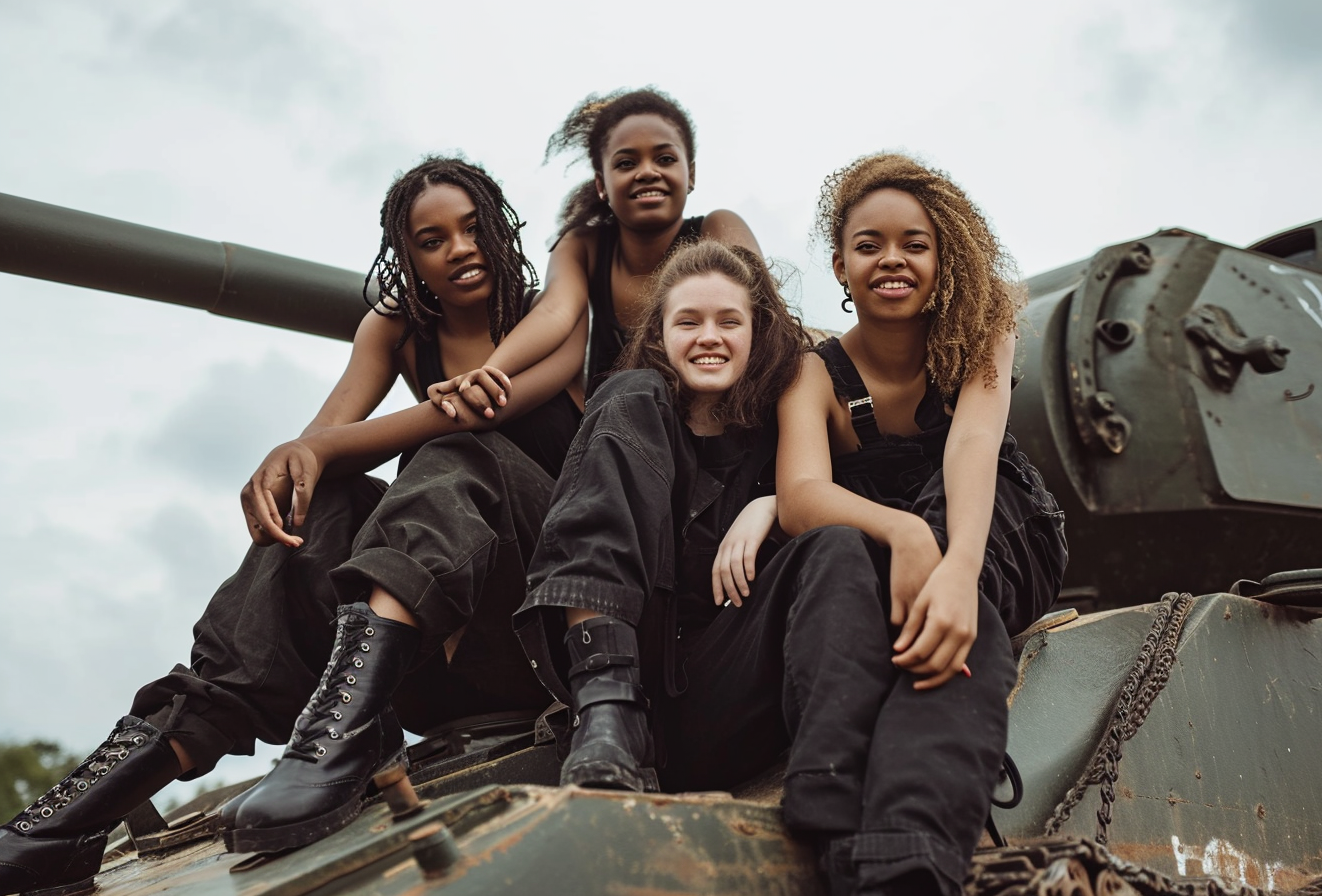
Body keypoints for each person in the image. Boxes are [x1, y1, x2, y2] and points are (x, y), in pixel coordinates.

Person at [0, 156, 586, 892]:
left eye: (472, 229)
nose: (460, 249)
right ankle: (94, 807)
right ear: (407, 260)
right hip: (434, 652)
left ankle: (332, 741)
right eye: (433, 240)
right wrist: (294, 473)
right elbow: (320, 450)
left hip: (549, 623)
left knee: (458, 450)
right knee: (325, 506)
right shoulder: (397, 332)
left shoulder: (557, 317)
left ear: (500, 231)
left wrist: (311, 449)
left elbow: (475, 411)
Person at [773, 153, 1068, 896]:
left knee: (966, 617)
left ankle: (907, 844)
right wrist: (905, 536)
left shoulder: (982, 327)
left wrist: (958, 567)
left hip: (995, 523)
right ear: (840, 266)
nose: (892, 259)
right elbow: (802, 495)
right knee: (841, 564)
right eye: (868, 245)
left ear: (944, 257)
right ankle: (848, 813)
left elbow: (973, 444)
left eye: (915, 243)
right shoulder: (814, 372)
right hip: (886, 544)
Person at [514, 238, 816, 795]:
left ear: (757, 332)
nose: (708, 337)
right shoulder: (630, 414)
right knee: (631, 390)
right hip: (632, 703)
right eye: (688, 321)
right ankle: (605, 705)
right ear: (659, 334)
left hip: (733, 698)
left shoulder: (786, 435)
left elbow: (845, 505)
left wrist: (774, 503)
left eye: (729, 320)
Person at [443, 87, 762, 419]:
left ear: (691, 174)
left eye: (665, 159)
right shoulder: (584, 245)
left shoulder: (717, 228)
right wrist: (490, 372)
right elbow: (555, 312)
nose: (647, 172)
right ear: (601, 185)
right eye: (626, 163)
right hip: (614, 437)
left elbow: (762, 313)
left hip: (712, 426)